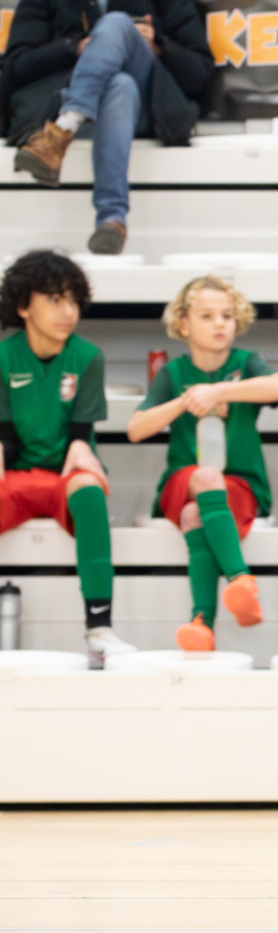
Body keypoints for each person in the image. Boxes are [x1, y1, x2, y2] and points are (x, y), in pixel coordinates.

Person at [127, 277, 278, 651]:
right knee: (203, 478)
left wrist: (220, 391)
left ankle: (201, 623)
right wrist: (186, 400)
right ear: (184, 324)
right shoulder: (173, 373)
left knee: (194, 515)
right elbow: (136, 428)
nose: (220, 323)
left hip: (240, 484)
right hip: (184, 480)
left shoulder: (246, 363)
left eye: (227, 315)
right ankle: (240, 579)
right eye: (207, 316)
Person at [4, 0, 211, 255]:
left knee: (117, 24)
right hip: (75, 100)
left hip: (146, 111)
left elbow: (200, 73)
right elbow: (16, 67)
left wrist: (157, 46)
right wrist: (74, 48)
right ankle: (112, 219)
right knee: (119, 85)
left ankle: (63, 128)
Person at [0, 251, 136, 667]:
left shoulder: (88, 356)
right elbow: (6, 440)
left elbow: (80, 435)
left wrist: (80, 453)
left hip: (66, 472)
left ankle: (99, 628)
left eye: (74, 300)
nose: (68, 311)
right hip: (17, 473)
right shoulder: (4, 356)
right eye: (55, 300)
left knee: (90, 492)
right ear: (24, 306)